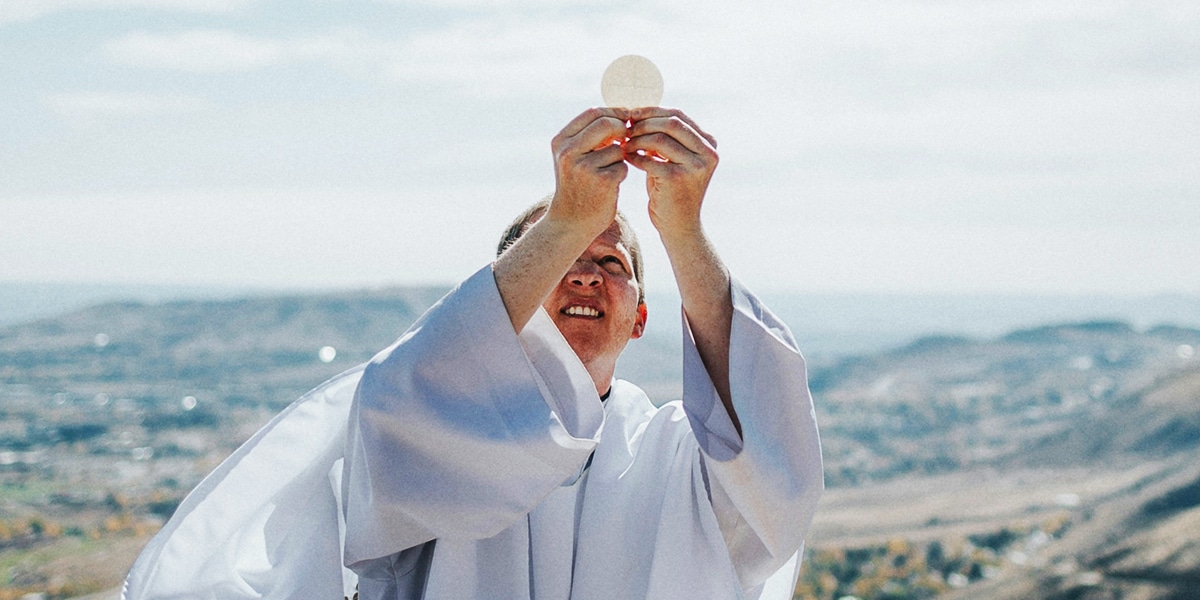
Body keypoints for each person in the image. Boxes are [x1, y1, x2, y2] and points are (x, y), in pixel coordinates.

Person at [121, 107, 823, 600]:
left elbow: (774, 475)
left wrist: (681, 227)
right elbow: (403, 398)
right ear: (503, 307)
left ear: (640, 318)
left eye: (609, 261)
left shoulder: (677, 459)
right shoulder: (431, 437)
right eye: (551, 257)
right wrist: (570, 213)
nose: (582, 273)